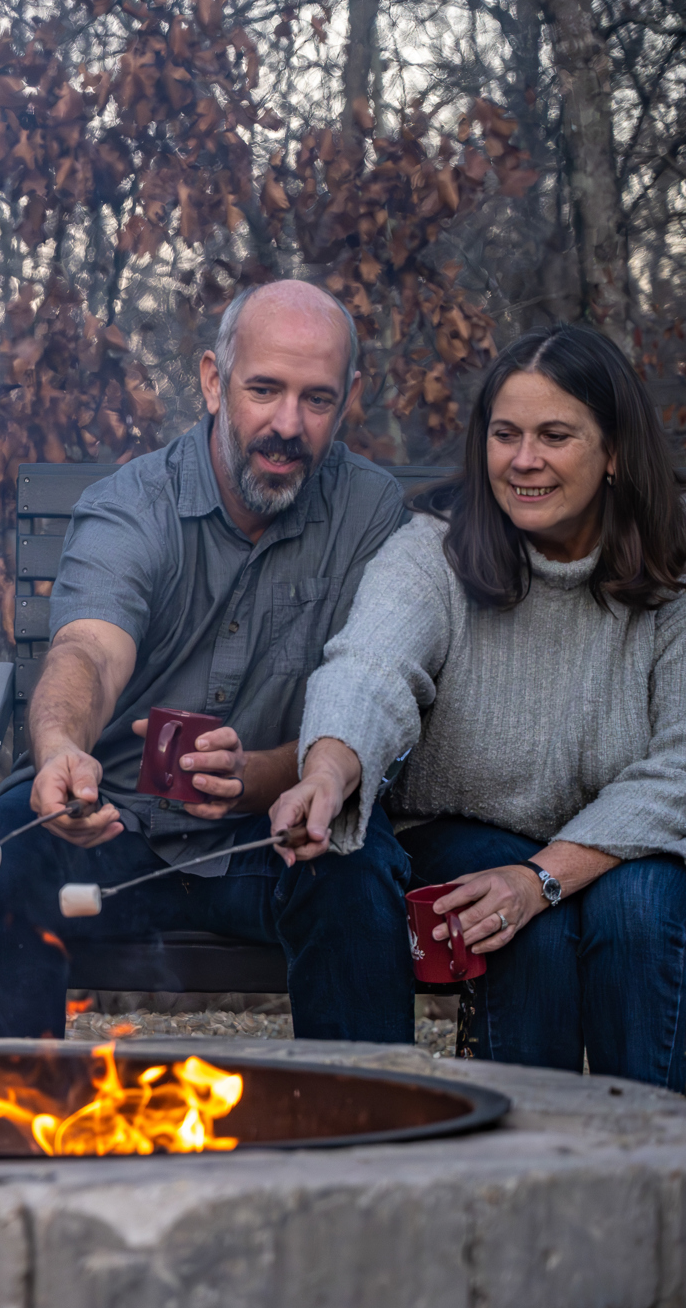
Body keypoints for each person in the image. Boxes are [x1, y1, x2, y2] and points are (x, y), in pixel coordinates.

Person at [0, 279, 416, 1042]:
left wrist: (267, 779)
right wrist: (62, 749)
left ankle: (365, 1132)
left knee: (356, 868)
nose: (287, 424)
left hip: (280, 832)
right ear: (211, 380)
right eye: (263, 389)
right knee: (1, 849)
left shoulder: (371, 514)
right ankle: (13, 1133)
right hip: (112, 825)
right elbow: (89, 650)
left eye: (317, 399)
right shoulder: (134, 504)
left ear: (350, 397)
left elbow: (374, 683)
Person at [275, 324, 686, 1089]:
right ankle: (525, 1162)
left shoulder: (671, 580)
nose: (523, 459)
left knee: (646, 898)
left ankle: (657, 1165)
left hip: (624, 846)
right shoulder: (433, 552)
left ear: (616, 452)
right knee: (513, 911)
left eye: (554, 435)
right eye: (505, 434)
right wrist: (330, 764)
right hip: (458, 835)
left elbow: (681, 767)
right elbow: (371, 665)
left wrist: (543, 874)